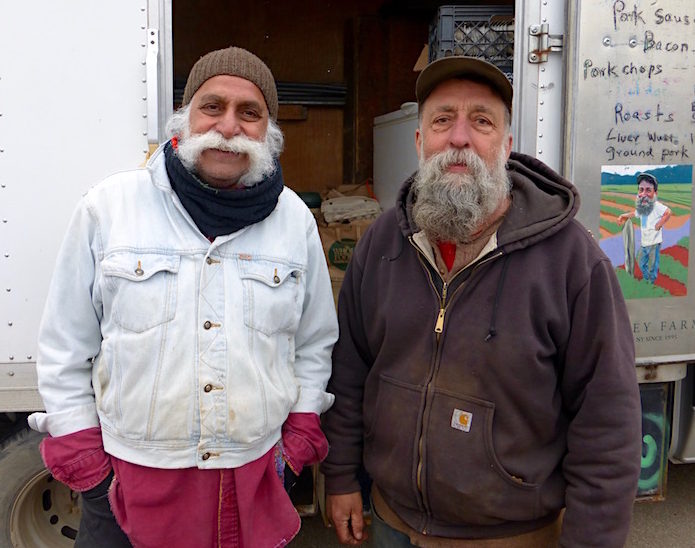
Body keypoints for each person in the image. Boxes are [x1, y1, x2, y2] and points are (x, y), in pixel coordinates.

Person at [321, 55, 642, 547]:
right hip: (392, 524)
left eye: (482, 121)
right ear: (419, 141)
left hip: (511, 534)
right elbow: (350, 370)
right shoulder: (383, 242)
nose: (459, 138)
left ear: (507, 145)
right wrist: (341, 475)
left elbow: (607, 422)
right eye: (442, 119)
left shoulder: (573, 262)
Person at [28, 46, 338, 548]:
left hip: (252, 477)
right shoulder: (109, 208)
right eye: (212, 106)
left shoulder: (294, 222)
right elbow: (65, 344)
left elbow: (314, 343)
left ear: (269, 132)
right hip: (129, 485)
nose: (229, 126)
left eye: (249, 112)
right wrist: (90, 465)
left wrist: (296, 442)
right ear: (185, 116)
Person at [617, 172, 671, 284]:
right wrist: (623, 216)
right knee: (642, 263)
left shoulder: (656, 206)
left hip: (654, 243)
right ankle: (647, 279)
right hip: (644, 242)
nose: (643, 193)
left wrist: (659, 224)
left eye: (648, 190)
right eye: (641, 190)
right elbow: (634, 214)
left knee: (653, 264)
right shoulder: (643, 207)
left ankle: (652, 283)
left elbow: (668, 212)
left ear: (655, 193)